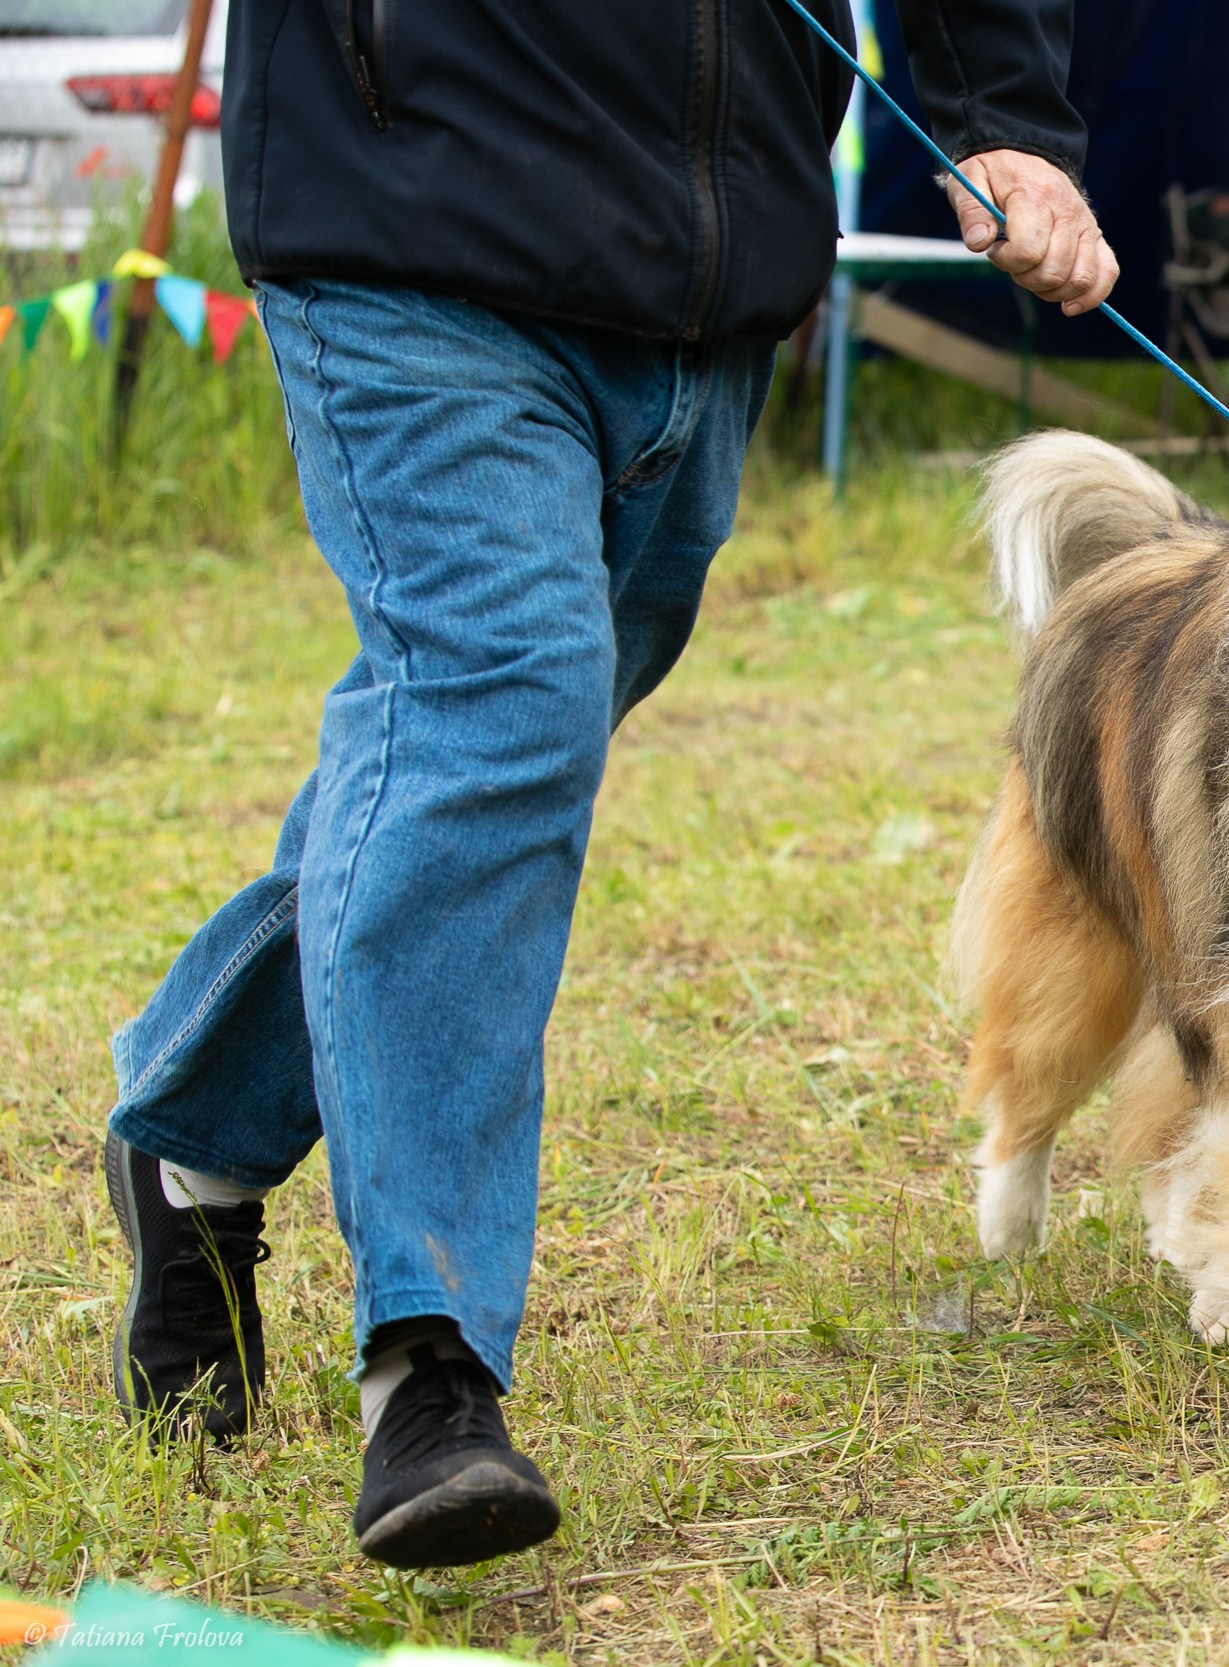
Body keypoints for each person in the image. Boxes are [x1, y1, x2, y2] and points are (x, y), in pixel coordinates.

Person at [102, 0, 1115, 1571]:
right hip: (408, 210)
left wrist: (1008, 121)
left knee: (466, 756)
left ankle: (194, 1141)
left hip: (706, 270)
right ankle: (425, 1369)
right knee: (499, 716)